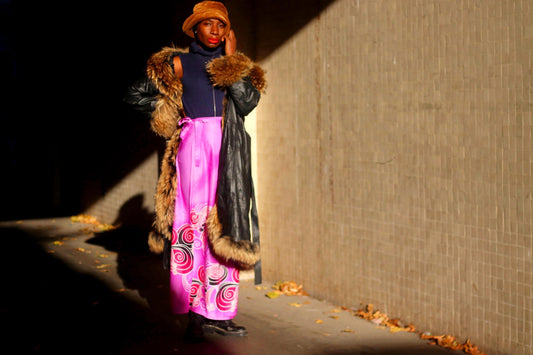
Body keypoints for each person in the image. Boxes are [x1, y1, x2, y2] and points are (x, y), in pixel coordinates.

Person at [125, 1, 265, 340]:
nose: (215, 31)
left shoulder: (233, 65)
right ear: (195, 29)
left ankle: (219, 312)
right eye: (208, 24)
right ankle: (194, 316)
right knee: (195, 224)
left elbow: (246, 103)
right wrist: (172, 115)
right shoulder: (179, 62)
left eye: (221, 24)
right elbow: (135, 95)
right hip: (195, 149)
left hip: (229, 150)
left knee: (226, 225)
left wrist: (232, 63)